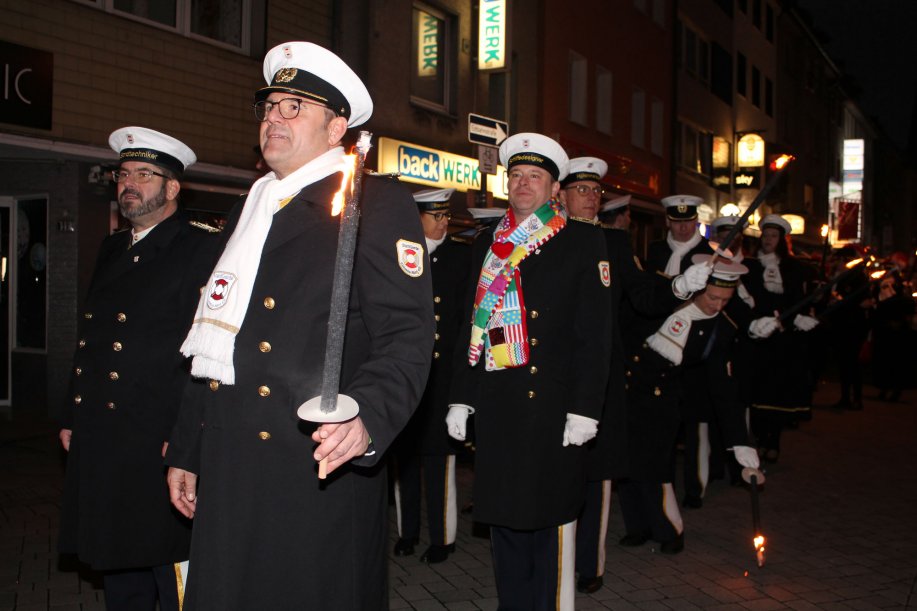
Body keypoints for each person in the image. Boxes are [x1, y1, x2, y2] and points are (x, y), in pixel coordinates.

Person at [164, 42, 434, 610]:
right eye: (269, 107)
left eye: (294, 107)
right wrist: (188, 448)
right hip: (232, 457)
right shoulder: (250, 207)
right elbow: (214, 340)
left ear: (336, 129)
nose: (273, 118)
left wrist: (367, 416)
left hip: (314, 458)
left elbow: (406, 336)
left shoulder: (372, 203)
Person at [446, 133, 611, 610]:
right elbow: (470, 324)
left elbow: (595, 335)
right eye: (516, 175)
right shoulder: (487, 243)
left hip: (554, 406)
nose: (523, 183)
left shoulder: (582, 240)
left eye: (534, 176)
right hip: (500, 402)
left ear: (554, 188)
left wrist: (585, 409)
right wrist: (461, 396)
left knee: (551, 518)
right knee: (504, 518)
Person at [58, 127, 219, 611]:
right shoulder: (113, 247)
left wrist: (187, 435)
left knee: (169, 566)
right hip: (106, 433)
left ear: (172, 187)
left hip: (159, 437)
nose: (129, 183)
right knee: (119, 562)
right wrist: (72, 412)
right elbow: (92, 337)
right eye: (123, 174)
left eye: (144, 174)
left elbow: (206, 351)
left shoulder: (201, 247)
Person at [617, 257, 760, 554]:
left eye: (725, 300)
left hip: (663, 399)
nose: (717, 305)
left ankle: (670, 529)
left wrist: (740, 442)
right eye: (713, 297)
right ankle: (638, 527)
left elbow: (723, 387)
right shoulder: (665, 295)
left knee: (656, 468)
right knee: (626, 464)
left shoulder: (720, 328)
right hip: (626, 391)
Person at [391, 187, 470, 564]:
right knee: (404, 460)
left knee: (440, 461)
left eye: (446, 216)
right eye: (435, 216)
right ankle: (407, 532)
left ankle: (443, 538)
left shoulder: (460, 257)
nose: (443, 223)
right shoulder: (399, 254)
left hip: (442, 375)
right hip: (406, 373)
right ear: (416, 217)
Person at [744, 214, 819, 461]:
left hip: (782, 340)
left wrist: (792, 319)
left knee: (777, 391)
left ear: (782, 240)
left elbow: (797, 299)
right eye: (765, 235)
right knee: (757, 391)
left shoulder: (793, 268)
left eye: (773, 236)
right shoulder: (751, 266)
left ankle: (773, 441)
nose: (768, 240)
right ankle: (760, 438)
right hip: (758, 336)